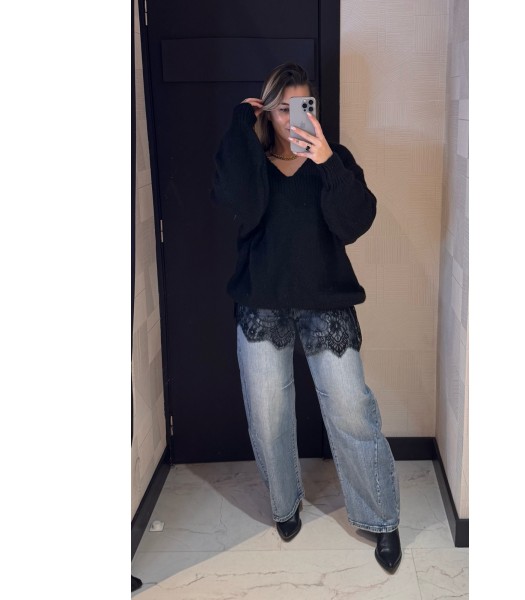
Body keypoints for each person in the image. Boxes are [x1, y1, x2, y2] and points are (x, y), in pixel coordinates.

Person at [211, 62, 401, 573]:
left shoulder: (333, 159)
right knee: (267, 413)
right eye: (281, 108)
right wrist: (240, 124)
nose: (291, 118)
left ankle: (380, 518)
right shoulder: (251, 162)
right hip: (262, 301)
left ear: (312, 109)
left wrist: (327, 162)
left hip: (325, 300)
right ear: (267, 113)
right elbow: (238, 203)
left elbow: (355, 222)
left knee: (352, 408)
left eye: (301, 106)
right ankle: (284, 505)